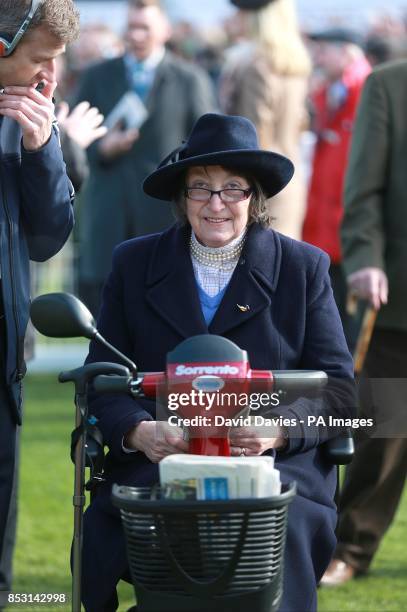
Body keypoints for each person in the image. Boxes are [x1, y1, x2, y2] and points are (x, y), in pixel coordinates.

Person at [81, 112, 356, 612]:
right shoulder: (133, 262)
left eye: (233, 189)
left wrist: (278, 430)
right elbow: (102, 378)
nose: (216, 204)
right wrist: (139, 432)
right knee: (143, 509)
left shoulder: (304, 267)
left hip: (273, 463)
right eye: (200, 188)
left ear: (255, 199)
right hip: (160, 460)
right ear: (181, 198)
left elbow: (339, 390)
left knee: (280, 516)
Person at [0, 0, 79, 605]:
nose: (48, 77)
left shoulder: (29, 123)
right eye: (40, 59)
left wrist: (42, 147)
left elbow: (51, 235)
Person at [321, 59, 407, 586]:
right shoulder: (388, 85)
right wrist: (365, 258)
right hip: (397, 297)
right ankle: (348, 548)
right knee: (384, 432)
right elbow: (363, 189)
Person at [74, 0, 216, 316]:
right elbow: (72, 140)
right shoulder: (96, 76)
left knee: (163, 311)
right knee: (107, 313)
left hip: (163, 215)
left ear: (165, 31)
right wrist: (101, 147)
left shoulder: (190, 79)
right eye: (132, 27)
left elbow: (207, 145)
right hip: (108, 211)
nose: (137, 35)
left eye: (145, 28)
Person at [302, 28, 371, 353]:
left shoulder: (367, 93)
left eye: (325, 50)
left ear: (347, 53)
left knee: (356, 330)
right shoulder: (329, 95)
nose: (319, 57)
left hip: (351, 230)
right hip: (325, 229)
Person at [220, 0, 311, 240]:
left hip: (262, 189)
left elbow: (251, 137)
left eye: (242, 10)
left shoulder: (257, 66)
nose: (237, 16)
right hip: (289, 181)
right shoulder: (292, 64)